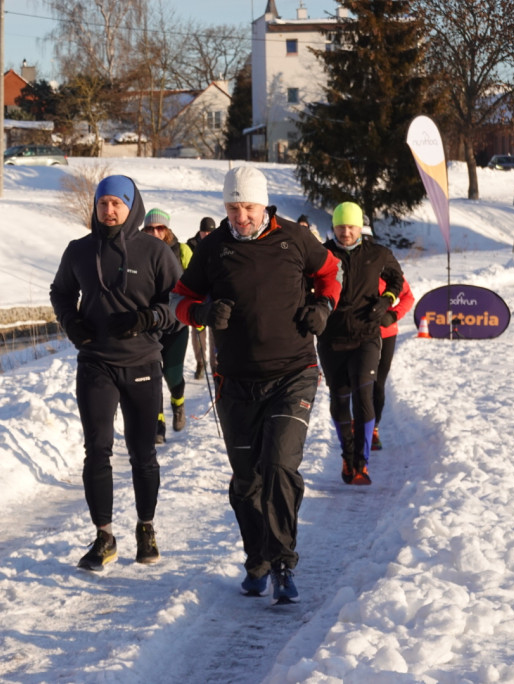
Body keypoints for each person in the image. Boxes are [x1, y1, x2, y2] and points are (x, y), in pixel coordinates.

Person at [170, 165, 342, 603]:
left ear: (263, 204)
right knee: (246, 478)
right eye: (232, 206)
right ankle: (257, 559)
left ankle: (283, 561)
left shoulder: (294, 239)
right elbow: (178, 299)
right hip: (235, 381)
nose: (240, 215)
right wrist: (201, 314)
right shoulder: (214, 248)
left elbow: (331, 274)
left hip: (294, 373)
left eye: (247, 206)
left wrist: (322, 307)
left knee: (280, 467)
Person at [50, 175, 181, 571]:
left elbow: (179, 302)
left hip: (142, 362)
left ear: (131, 206)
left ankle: (146, 527)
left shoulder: (155, 251)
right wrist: (72, 325)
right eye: (103, 203)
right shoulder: (78, 250)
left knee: (143, 453)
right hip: (96, 362)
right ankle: (104, 536)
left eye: (116, 204)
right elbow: (60, 292)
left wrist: (150, 317)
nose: (109, 211)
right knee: (98, 450)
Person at [316, 201, 405, 485]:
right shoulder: (323, 254)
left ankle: (362, 463)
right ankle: (347, 455)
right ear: (334, 228)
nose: (345, 232)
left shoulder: (377, 254)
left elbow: (396, 280)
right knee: (339, 398)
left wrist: (386, 301)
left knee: (363, 396)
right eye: (341, 226)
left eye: (351, 226)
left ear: (360, 227)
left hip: (366, 335)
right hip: (332, 338)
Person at [141, 208, 192, 445]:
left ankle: (178, 403)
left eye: (159, 228)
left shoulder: (182, 251)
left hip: (176, 324)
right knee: (153, 377)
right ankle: (157, 424)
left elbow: (195, 283)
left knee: (172, 375)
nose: (154, 232)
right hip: (149, 327)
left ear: (167, 230)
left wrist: (197, 312)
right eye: (150, 228)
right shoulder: (136, 251)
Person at [372, 276, 415, 450]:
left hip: (386, 333)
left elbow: (408, 296)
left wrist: (393, 314)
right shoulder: (355, 265)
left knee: (377, 383)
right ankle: (356, 425)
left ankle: (372, 428)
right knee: (357, 383)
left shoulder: (386, 268)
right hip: (355, 333)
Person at [186, 217, 217, 378]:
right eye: (204, 231)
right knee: (197, 333)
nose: (207, 234)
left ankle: (214, 364)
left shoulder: (219, 244)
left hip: (214, 296)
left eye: (210, 231)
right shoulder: (191, 245)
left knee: (214, 334)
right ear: (199, 231)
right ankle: (200, 362)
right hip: (197, 297)